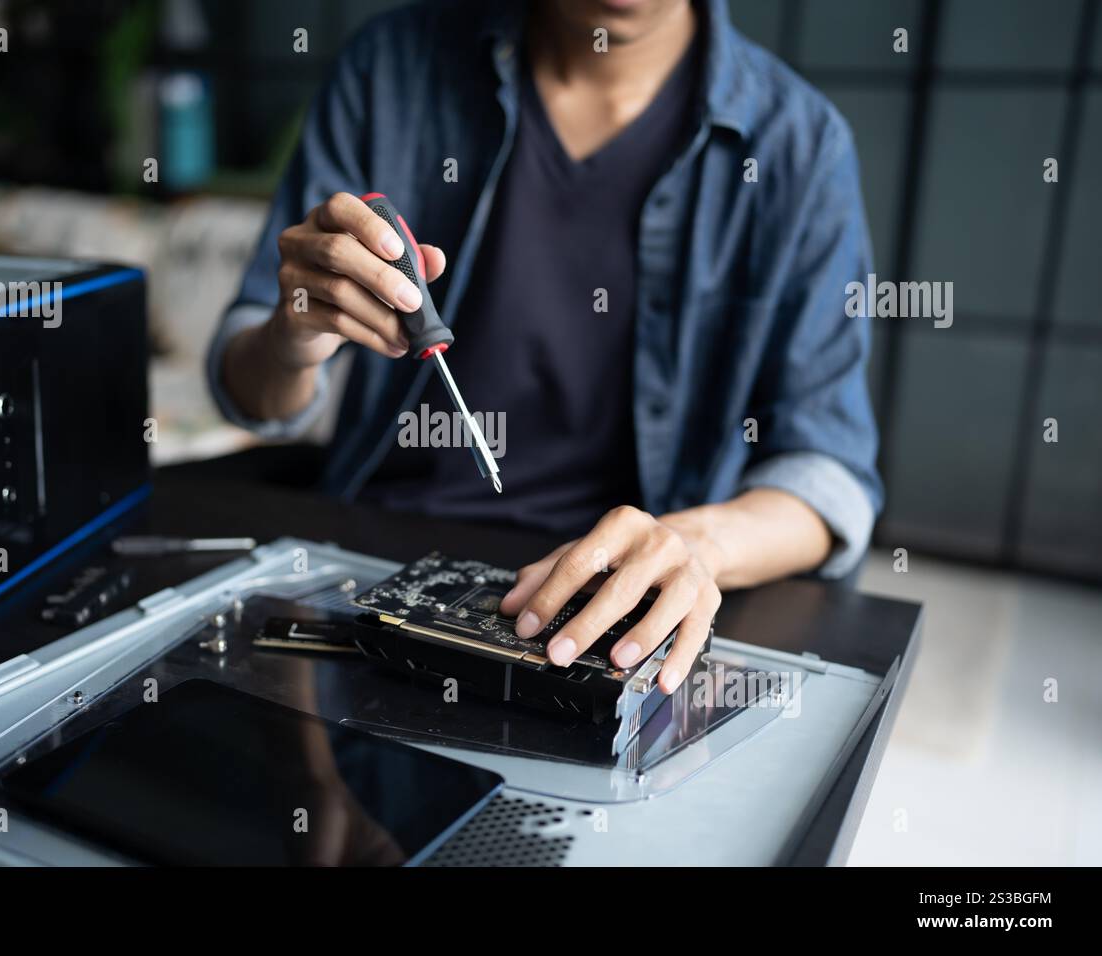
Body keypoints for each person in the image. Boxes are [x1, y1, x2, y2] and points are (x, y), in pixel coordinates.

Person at [208, 0, 882, 695]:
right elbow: (249, 392)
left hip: (613, 612)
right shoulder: (392, 66)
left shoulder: (797, 145)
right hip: (372, 570)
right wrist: (295, 335)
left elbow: (829, 475)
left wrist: (697, 545)